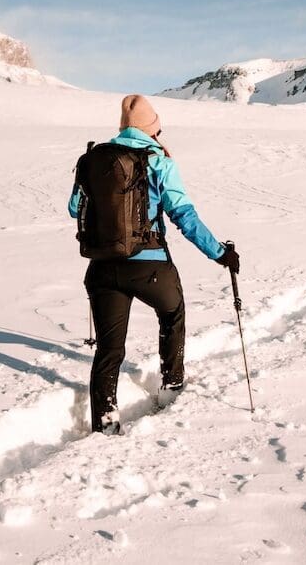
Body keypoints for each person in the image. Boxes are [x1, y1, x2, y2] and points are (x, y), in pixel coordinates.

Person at [68, 94, 239, 434]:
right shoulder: (159, 161)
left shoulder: (93, 160)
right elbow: (184, 217)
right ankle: (171, 384)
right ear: (153, 129)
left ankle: (105, 421)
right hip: (149, 267)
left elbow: (75, 209)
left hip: (102, 268)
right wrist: (220, 253)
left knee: (109, 348)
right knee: (172, 313)